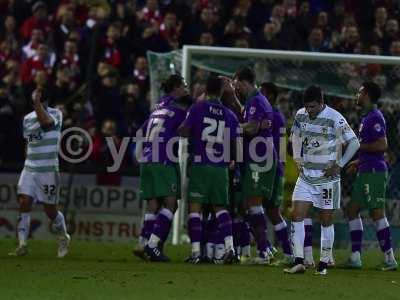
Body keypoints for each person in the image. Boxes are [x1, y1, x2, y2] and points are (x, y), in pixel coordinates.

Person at [284, 85, 359, 275]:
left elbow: (354, 142)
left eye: (312, 107)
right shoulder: (301, 114)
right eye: (306, 107)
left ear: (321, 103)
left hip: (327, 179)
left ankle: (324, 264)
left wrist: (339, 164)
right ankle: (299, 261)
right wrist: (298, 159)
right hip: (306, 176)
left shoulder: (335, 117)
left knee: (326, 219)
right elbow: (295, 136)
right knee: (296, 214)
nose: (309, 111)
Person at [179, 75, 240, 264]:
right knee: (221, 208)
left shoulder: (197, 108)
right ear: (221, 91)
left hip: (201, 164)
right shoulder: (229, 114)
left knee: (195, 207)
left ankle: (196, 252)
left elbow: (184, 130)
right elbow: (235, 139)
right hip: (221, 167)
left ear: (206, 89)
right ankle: (230, 248)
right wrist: (234, 161)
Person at [134, 74, 191, 262]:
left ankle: (143, 242)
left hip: (147, 160)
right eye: (184, 86)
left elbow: (140, 131)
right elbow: (188, 129)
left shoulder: (157, 108)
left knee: (153, 204)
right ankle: (153, 245)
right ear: (175, 89)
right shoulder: (179, 110)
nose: (186, 89)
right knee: (171, 204)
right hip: (164, 160)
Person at [9, 88, 70, 257]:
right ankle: (22, 244)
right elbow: (28, 142)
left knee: (50, 210)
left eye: (39, 99)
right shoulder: (27, 119)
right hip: (30, 168)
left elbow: (46, 124)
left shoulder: (56, 114)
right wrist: (27, 161)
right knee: (24, 202)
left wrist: (36, 103)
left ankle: (64, 237)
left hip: (48, 170)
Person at [344, 81, 398, 271]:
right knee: (352, 210)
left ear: (366, 95)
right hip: (366, 169)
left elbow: (382, 145)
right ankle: (356, 257)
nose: (356, 96)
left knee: (377, 212)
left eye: (359, 92)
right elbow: (372, 147)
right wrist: (358, 162)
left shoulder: (375, 116)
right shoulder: (366, 116)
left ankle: (389, 259)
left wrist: (358, 148)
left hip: (374, 172)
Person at [231, 67, 276, 264]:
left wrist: (234, 127)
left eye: (236, 84)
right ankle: (264, 249)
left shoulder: (256, 100)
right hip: (257, 158)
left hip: (260, 158)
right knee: (251, 204)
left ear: (242, 81)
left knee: (255, 204)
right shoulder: (253, 101)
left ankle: (264, 252)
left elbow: (251, 128)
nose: (235, 88)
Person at [260, 82, 293, 264]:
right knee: (272, 211)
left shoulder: (271, 115)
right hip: (277, 168)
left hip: (268, 168)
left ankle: (263, 249)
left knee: (251, 206)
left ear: (270, 95)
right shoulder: (277, 116)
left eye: (263, 93)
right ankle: (286, 252)